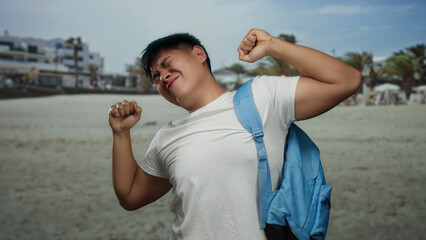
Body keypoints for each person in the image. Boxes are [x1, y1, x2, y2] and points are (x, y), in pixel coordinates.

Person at [108, 29, 361, 239]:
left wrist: (271, 44)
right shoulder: (167, 136)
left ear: (198, 54)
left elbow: (346, 80)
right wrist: (120, 133)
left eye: (165, 64)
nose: (161, 76)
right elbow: (130, 196)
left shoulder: (261, 97)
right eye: (155, 76)